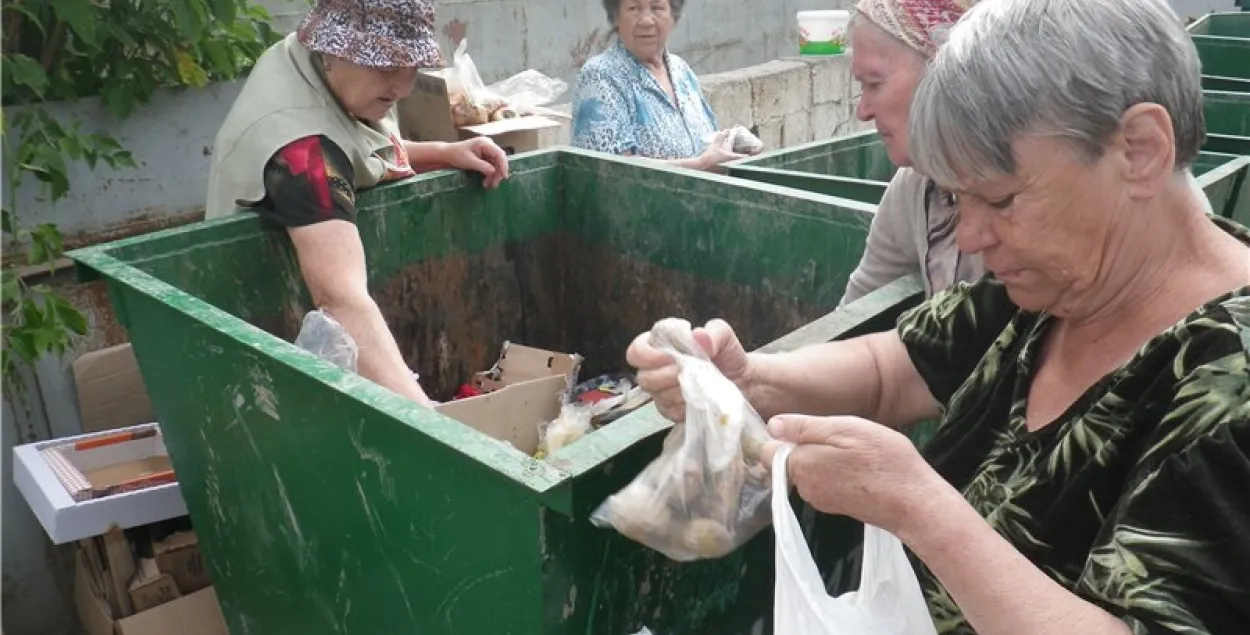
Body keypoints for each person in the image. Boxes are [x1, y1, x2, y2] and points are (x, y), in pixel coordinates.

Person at [627, 0, 1250, 632]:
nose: (972, 236)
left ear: (1139, 150)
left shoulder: (1228, 380)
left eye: (1001, 199)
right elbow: (892, 370)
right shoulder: (1056, 288)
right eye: (957, 200)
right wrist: (750, 380)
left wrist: (919, 509)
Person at [206, 0, 511, 406]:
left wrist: (445, 152)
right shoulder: (303, 157)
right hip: (259, 352)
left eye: (411, 66)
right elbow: (340, 300)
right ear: (333, 50)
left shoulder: (303, 62)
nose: (403, 87)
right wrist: (438, 428)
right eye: (386, 66)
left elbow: (354, 149)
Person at [568, 0, 753, 171]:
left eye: (657, 8)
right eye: (634, 8)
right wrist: (700, 166)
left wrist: (733, 141)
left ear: (673, 16)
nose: (646, 21)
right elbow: (610, 170)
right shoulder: (600, 76)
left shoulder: (681, 71)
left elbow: (704, 142)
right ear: (616, 16)